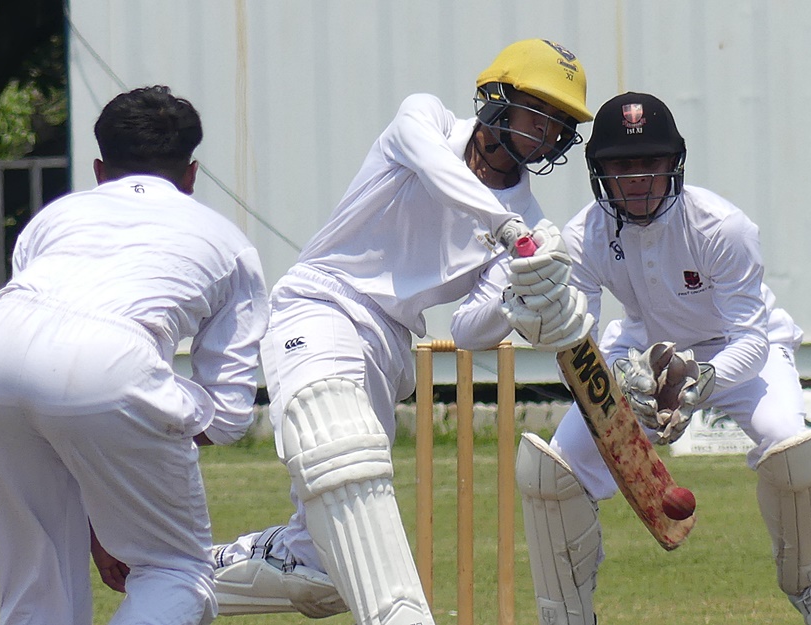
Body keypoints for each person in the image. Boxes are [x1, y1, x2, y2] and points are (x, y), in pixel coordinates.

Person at [210, 39, 594, 624]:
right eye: (536, 115)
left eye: (559, 126)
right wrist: (506, 225)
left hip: (389, 347)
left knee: (327, 570)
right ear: (498, 100)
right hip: (323, 301)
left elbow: (468, 331)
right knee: (339, 448)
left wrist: (522, 290)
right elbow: (437, 170)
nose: (545, 136)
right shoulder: (428, 120)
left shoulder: (530, 227)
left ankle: (181, 576)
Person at [512, 91, 811, 625]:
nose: (638, 180)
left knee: (792, 446)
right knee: (552, 472)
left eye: (650, 163)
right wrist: (624, 377)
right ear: (599, 171)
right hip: (642, 348)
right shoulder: (583, 235)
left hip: (738, 351)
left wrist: (702, 379)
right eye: (622, 166)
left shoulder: (722, 227)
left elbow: (753, 336)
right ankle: (567, 615)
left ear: (674, 164)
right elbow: (585, 341)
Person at [0, 85, 269, 625]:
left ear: (101, 171)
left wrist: (109, 509)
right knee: (175, 571)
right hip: (113, 360)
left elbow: (51, 386)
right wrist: (126, 479)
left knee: (38, 579)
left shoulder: (55, 219)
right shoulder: (227, 242)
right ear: (191, 176)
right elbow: (228, 419)